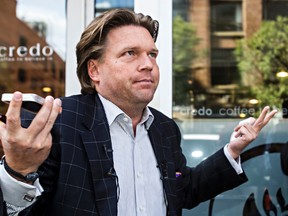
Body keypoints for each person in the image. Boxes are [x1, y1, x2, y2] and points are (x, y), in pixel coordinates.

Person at [0, 8, 277, 216]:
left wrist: (232, 151)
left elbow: (183, 189)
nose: (148, 64)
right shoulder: (59, 123)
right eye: (130, 53)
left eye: (152, 54)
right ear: (94, 70)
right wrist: (18, 172)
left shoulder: (165, 129)